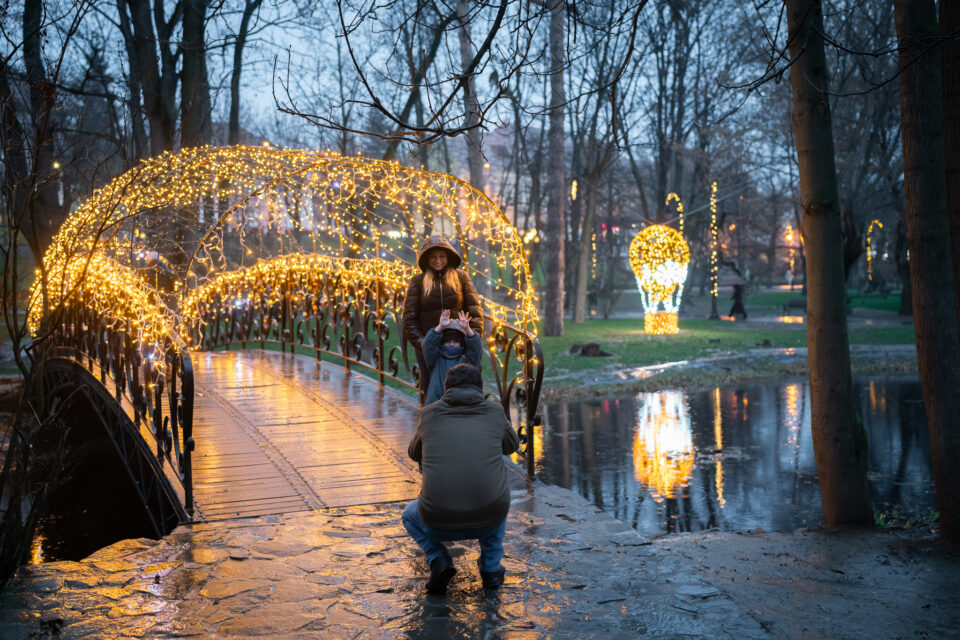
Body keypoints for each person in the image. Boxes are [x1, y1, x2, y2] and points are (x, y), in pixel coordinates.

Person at [402, 363, 519, 594]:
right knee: (496, 495)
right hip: (488, 517)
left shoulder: (430, 413)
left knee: (409, 515)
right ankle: (491, 569)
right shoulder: (495, 411)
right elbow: (512, 446)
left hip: (437, 520)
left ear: (446, 387)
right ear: (480, 387)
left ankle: (438, 559)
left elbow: (414, 453)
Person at [402, 235, 483, 395]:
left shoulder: (461, 277)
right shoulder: (418, 281)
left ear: (448, 257)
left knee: (464, 388)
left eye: (441, 256)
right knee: (432, 390)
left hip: (459, 347)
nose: (437, 260)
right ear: (426, 259)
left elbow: (475, 311)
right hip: (429, 347)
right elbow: (409, 319)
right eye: (433, 257)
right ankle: (433, 418)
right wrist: (425, 344)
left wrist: (472, 338)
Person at [422, 310, 483, 405]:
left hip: (461, 405)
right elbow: (428, 344)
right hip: (436, 404)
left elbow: (476, 349)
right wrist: (440, 327)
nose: (451, 343)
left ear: (462, 342)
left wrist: (468, 330)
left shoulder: (467, 361)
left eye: (456, 341)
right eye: (447, 340)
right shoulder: (435, 359)